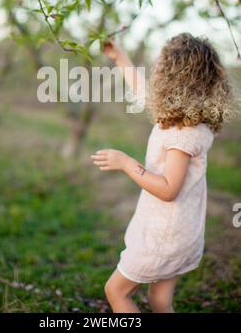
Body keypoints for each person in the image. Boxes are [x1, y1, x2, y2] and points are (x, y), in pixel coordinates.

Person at [91, 33, 231, 313]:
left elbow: (168, 189)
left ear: (171, 79)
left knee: (116, 291)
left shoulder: (182, 135)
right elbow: (140, 90)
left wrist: (126, 163)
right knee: (159, 301)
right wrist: (119, 56)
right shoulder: (185, 120)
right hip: (181, 233)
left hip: (163, 237)